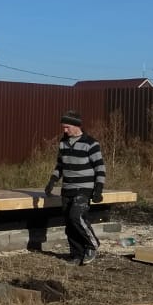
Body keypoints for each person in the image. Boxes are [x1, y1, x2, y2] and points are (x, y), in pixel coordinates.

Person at [43, 110, 106, 265]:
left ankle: (92, 245)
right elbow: (60, 165)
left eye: (67, 127)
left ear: (76, 126)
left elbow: (100, 168)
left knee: (76, 217)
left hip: (83, 189)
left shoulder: (91, 143)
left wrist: (98, 189)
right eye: (63, 127)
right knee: (69, 224)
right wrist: (52, 180)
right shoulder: (63, 143)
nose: (65, 130)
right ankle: (76, 255)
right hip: (67, 188)